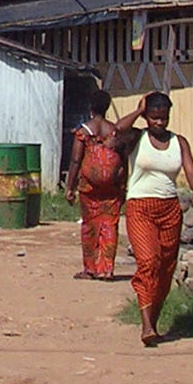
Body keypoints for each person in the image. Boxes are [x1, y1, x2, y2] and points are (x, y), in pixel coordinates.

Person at [113, 92, 193, 346]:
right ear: (146, 117)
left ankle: (153, 320)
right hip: (139, 207)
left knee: (165, 267)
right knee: (148, 261)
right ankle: (146, 327)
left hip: (169, 210)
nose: (159, 123)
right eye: (154, 117)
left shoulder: (180, 142)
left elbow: (189, 169)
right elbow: (116, 130)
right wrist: (137, 110)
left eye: (163, 118)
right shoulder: (136, 137)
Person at [65, 89, 125, 280]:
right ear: (107, 107)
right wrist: (123, 184)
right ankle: (107, 269)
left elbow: (75, 160)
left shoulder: (83, 132)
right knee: (110, 225)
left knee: (90, 226)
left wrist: (70, 186)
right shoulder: (115, 132)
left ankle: (90, 269)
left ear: (90, 107)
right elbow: (123, 160)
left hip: (89, 188)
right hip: (112, 188)